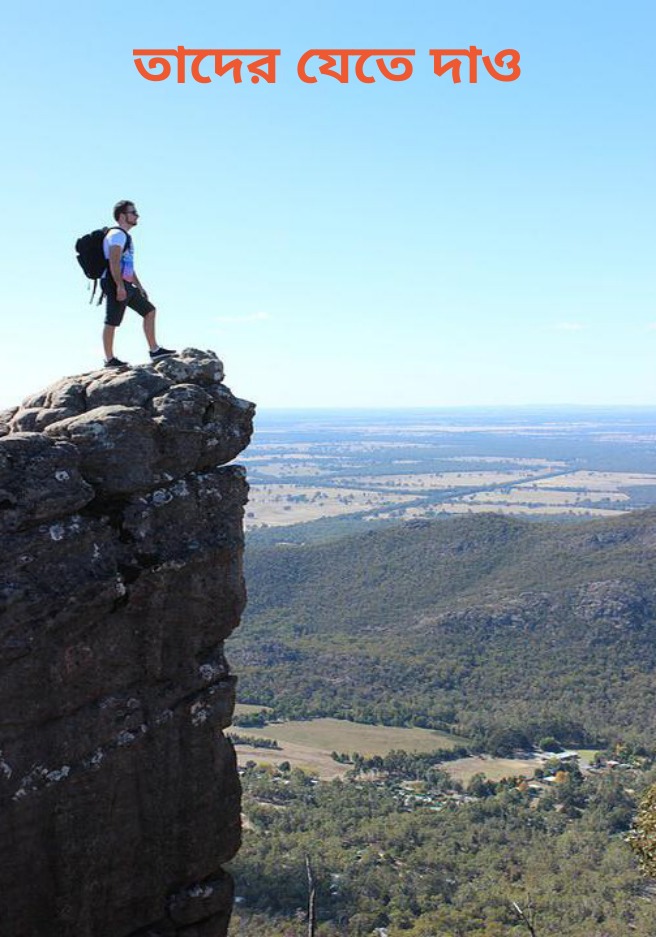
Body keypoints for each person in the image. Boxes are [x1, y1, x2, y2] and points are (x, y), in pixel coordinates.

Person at [101, 199, 175, 367]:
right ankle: (109, 359)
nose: (137, 216)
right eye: (133, 212)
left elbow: (127, 265)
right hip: (114, 282)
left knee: (149, 310)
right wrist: (119, 286)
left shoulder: (125, 236)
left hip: (125, 283)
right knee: (112, 321)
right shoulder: (117, 235)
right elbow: (114, 261)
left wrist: (139, 286)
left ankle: (154, 350)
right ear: (122, 216)